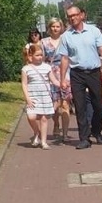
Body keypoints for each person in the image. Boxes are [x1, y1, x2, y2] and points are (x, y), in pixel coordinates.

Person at [59, 3, 102, 149]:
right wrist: (62, 79)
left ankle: (96, 130)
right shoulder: (66, 36)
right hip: (77, 74)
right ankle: (84, 138)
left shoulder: (94, 31)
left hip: (94, 72)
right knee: (80, 106)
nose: (72, 18)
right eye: (69, 16)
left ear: (81, 15)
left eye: (75, 15)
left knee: (98, 104)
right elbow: (64, 58)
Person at [42, 16, 70, 144]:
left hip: (65, 73)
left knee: (65, 103)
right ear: (49, 28)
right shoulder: (43, 42)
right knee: (55, 103)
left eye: (57, 26)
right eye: (53, 26)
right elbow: (41, 59)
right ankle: (56, 123)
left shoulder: (66, 40)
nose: (55, 29)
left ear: (61, 28)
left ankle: (65, 133)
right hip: (50, 73)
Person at [22, 42, 54, 148]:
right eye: (37, 55)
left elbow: (53, 80)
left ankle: (44, 142)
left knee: (44, 119)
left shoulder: (47, 67)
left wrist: (62, 84)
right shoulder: (26, 69)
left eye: (41, 55)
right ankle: (37, 132)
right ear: (31, 56)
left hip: (45, 96)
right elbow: (24, 84)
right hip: (33, 96)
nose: (40, 57)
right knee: (31, 117)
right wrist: (27, 98)